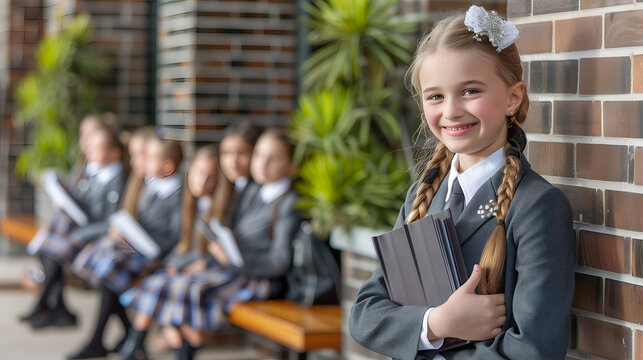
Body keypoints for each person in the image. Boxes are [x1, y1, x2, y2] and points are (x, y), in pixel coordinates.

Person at [348, 6, 575, 360]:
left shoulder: (536, 206)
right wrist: (436, 323)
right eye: (435, 96)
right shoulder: (422, 195)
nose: (451, 110)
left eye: (470, 91)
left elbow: (535, 349)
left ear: (512, 98)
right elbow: (365, 314)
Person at [161, 128, 298, 360]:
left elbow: (280, 261)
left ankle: (186, 347)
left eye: (273, 158)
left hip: (258, 278)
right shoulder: (255, 191)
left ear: (292, 165)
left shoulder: (288, 203)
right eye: (259, 156)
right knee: (178, 284)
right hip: (237, 269)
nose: (262, 164)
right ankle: (184, 347)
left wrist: (232, 260)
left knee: (188, 288)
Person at [68, 134, 184, 359]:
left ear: (167, 167)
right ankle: (127, 338)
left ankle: (110, 339)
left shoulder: (176, 194)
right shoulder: (149, 184)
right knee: (106, 259)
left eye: (147, 158)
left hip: (155, 255)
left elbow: (175, 235)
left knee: (110, 269)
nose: (141, 163)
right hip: (137, 247)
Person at [118, 144, 231, 360]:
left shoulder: (221, 208)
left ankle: (139, 346)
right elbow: (182, 245)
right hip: (188, 266)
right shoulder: (191, 204)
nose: (202, 181)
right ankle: (141, 346)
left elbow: (212, 254)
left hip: (209, 270)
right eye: (198, 173)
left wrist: (187, 266)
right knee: (158, 285)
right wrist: (175, 264)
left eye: (210, 176)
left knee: (170, 292)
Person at [22, 124, 127, 329]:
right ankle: (53, 305)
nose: (88, 149)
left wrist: (81, 233)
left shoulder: (115, 178)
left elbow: (111, 220)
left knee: (57, 251)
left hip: (101, 237)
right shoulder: (93, 172)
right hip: (86, 230)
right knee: (49, 246)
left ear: (114, 153)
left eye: (96, 147)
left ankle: (46, 303)